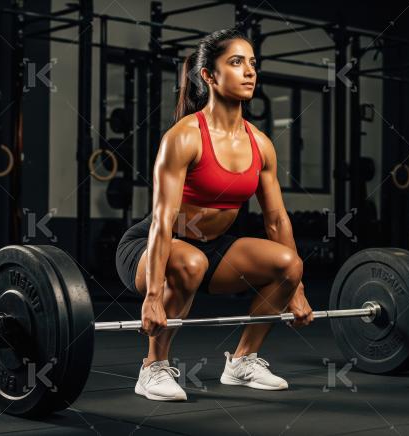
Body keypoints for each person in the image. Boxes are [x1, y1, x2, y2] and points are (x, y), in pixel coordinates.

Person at [115, 28, 314, 402]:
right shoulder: (184, 136)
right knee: (189, 260)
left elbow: (277, 221)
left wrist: (297, 291)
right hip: (148, 248)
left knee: (289, 264)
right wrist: (153, 295)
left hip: (212, 250)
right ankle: (152, 368)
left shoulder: (260, 143)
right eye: (236, 63)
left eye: (252, 63)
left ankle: (241, 361)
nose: (250, 71)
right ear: (208, 75)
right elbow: (162, 220)